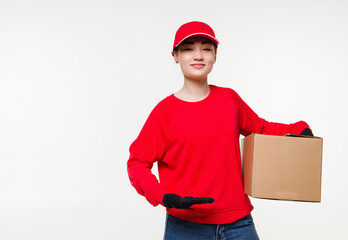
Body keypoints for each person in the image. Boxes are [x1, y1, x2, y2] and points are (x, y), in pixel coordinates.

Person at [127, 21, 313, 240]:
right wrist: (162, 195)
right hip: (186, 226)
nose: (198, 55)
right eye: (188, 49)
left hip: (238, 223)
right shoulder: (164, 112)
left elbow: (261, 128)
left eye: (206, 48)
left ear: (215, 55)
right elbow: (137, 162)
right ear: (175, 56)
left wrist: (299, 128)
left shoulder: (229, 100)